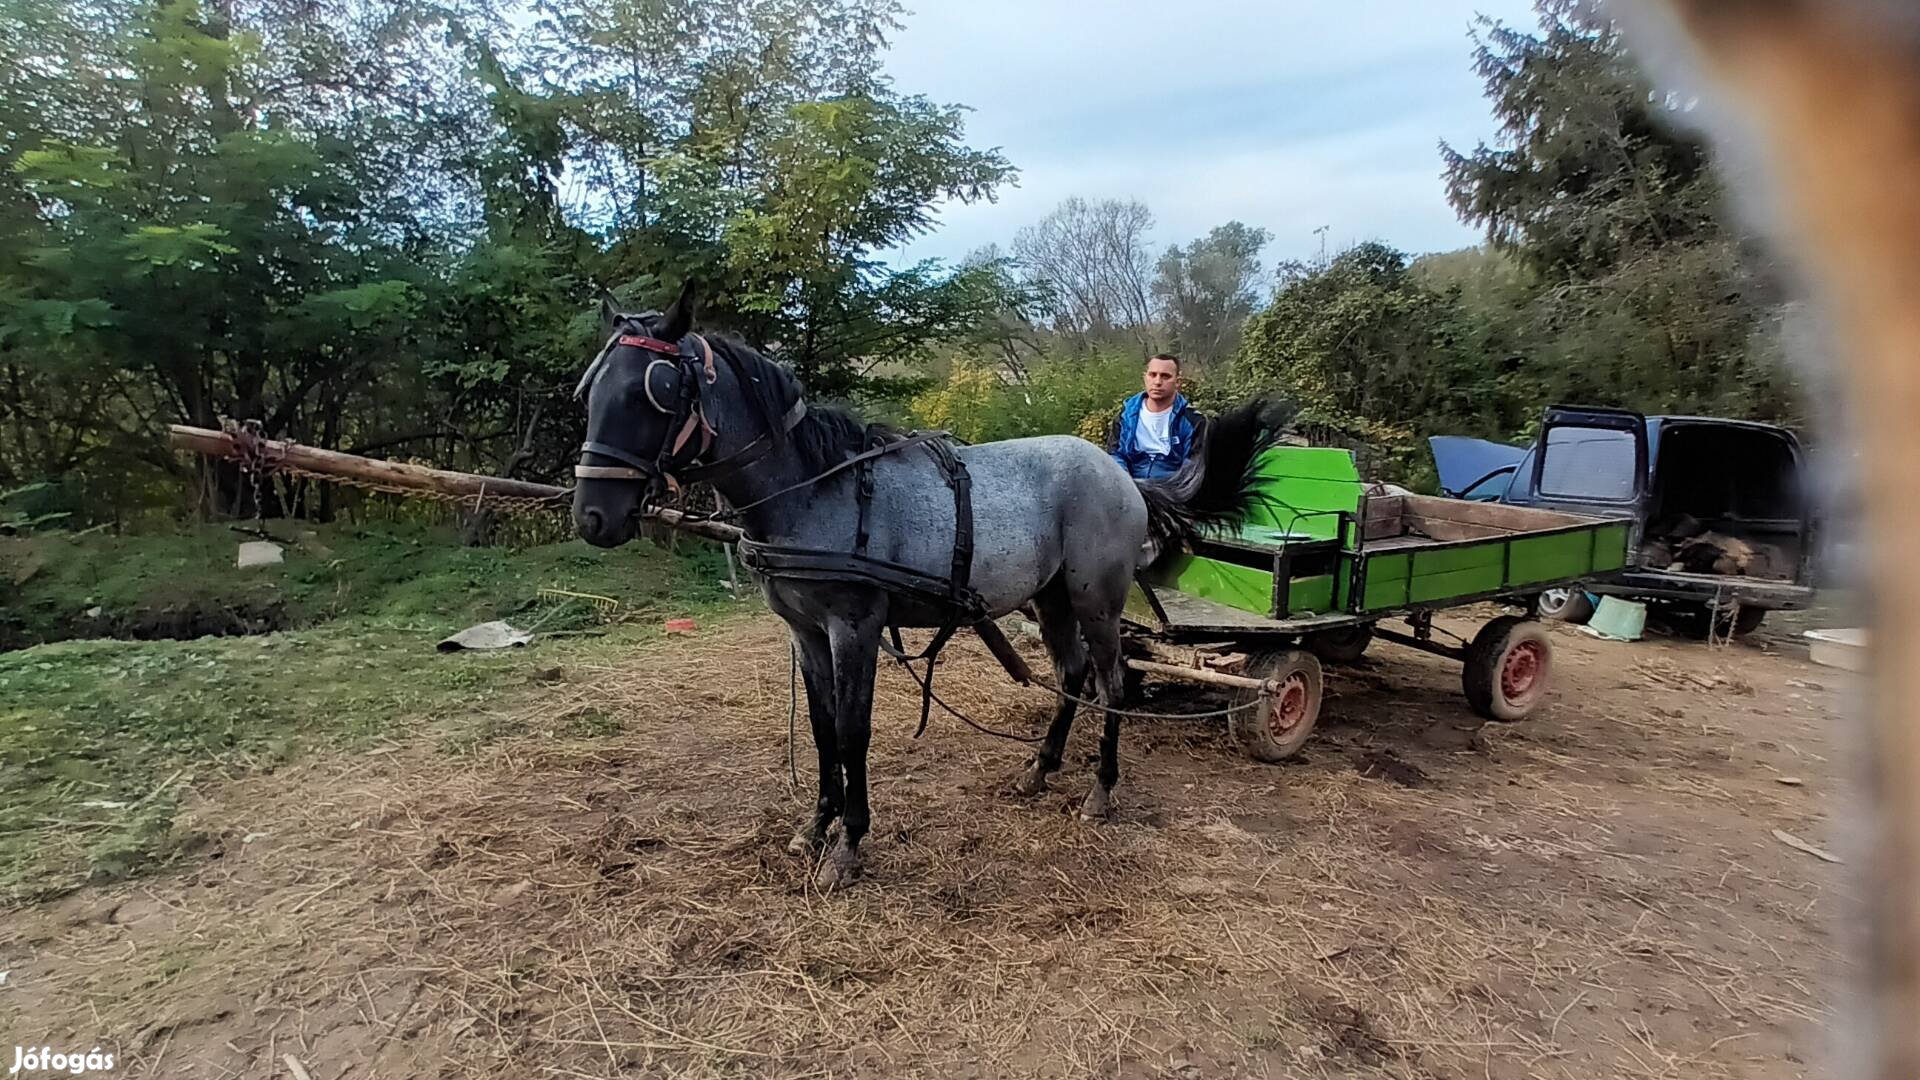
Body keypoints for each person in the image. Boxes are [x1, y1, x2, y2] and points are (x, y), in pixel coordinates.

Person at [1108, 354, 1202, 480]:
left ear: (1177, 382)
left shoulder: (1193, 421)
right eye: (1152, 375)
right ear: (1145, 377)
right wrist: (1126, 483)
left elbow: (1192, 467)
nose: (1157, 382)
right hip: (1130, 487)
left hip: (1173, 491)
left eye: (1165, 376)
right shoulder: (1125, 416)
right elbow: (1115, 455)